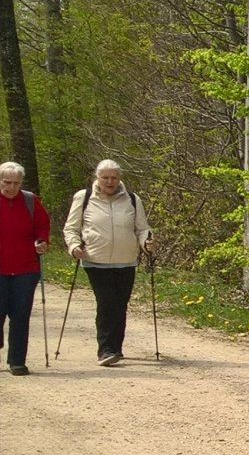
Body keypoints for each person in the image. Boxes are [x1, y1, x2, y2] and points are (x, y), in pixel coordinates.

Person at [63, 159, 153, 367]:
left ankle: (116, 348)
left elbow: (142, 228)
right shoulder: (84, 197)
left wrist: (146, 242)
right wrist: (74, 246)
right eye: (105, 178)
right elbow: (71, 228)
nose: (110, 182)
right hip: (95, 260)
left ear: (120, 178)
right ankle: (105, 350)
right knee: (107, 302)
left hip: (126, 261)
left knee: (120, 304)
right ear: (97, 178)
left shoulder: (131, 198)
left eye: (114, 177)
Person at [0, 161, 51, 375]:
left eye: (16, 183)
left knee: (21, 315)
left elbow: (42, 225)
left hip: (25, 269)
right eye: (7, 182)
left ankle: (17, 361)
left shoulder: (30, 201)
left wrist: (42, 241)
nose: (12, 187)